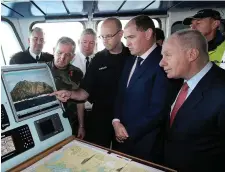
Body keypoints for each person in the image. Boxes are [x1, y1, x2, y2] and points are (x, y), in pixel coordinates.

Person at [50, 17, 130, 148]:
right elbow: (84, 92)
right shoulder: (98, 59)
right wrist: (70, 94)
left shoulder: (131, 56)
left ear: (120, 34)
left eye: (108, 36)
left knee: (123, 156)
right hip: (100, 116)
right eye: (102, 37)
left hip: (125, 116)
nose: (105, 41)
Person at [112, 15, 182, 162]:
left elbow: (159, 110)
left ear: (148, 34)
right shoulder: (130, 59)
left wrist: (127, 132)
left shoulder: (164, 62)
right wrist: (116, 121)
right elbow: (120, 94)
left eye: (131, 37)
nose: (127, 43)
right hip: (121, 137)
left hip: (147, 143)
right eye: (126, 38)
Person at [159, 29, 225, 172]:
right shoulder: (177, 82)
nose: (161, 63)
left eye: (168, 55)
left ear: (192, 54)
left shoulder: (221, 90)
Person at [47, 37, 85, 139]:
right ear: (54, 50)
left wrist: (81, 126)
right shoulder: (41, 70)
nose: (62, 58)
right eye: (59, 52)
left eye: (67, 55)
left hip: (72, 122)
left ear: (72, 56)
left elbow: (80, 101)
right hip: (48, 123)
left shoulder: (77, 73)